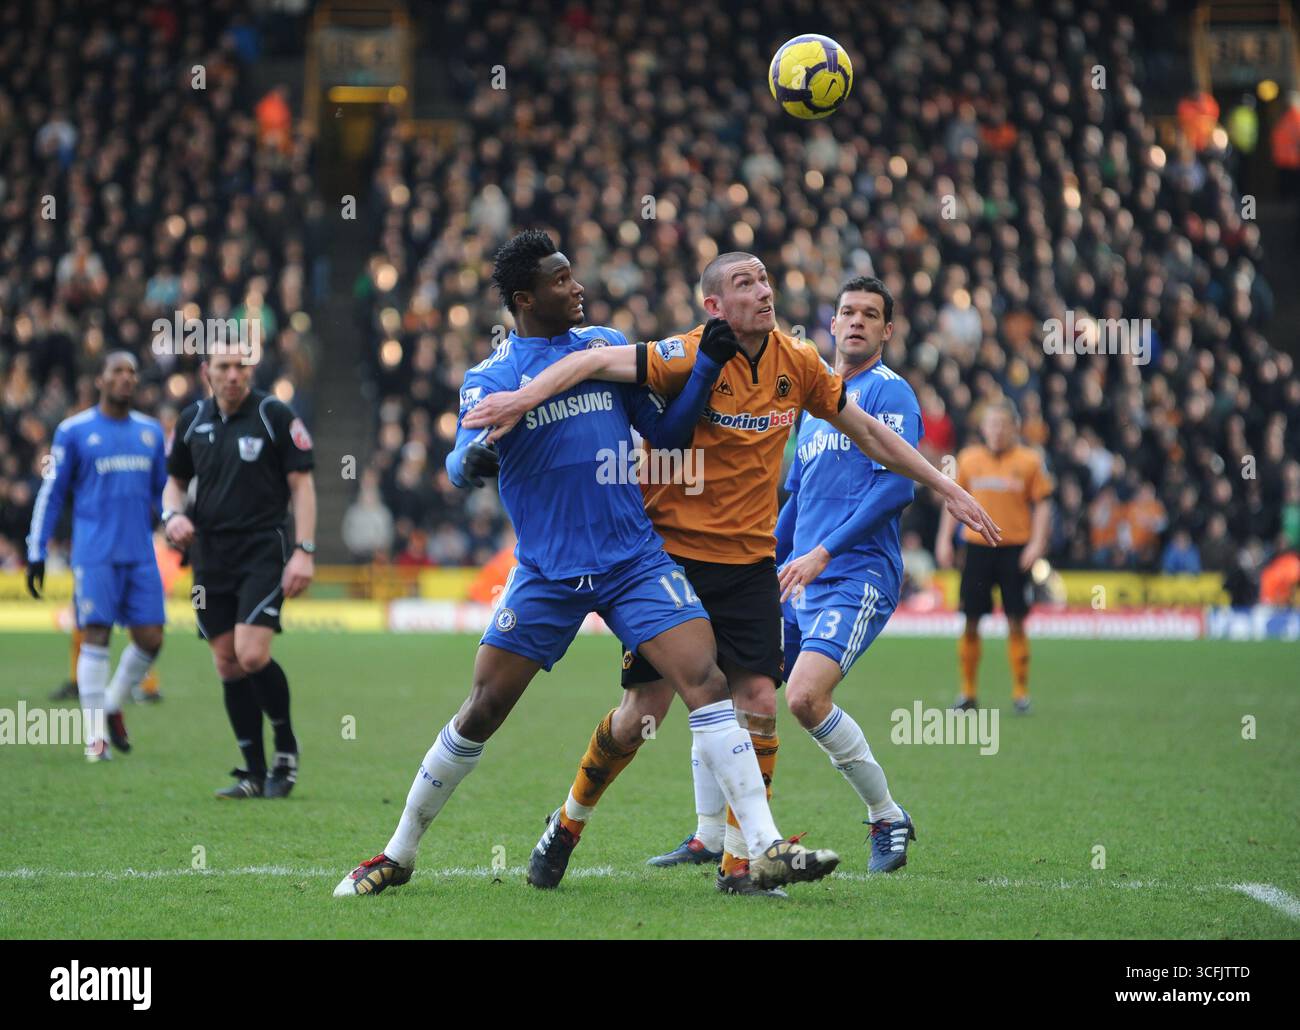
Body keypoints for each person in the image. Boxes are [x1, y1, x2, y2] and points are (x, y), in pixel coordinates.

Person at [463, 251, 999, 895]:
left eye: (766, 279)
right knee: (641, 714)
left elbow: (870, 436)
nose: (764, 290)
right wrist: (524, 396)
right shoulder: (686, 352)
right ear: (714, 305)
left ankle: (742, 863)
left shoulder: (798, 363)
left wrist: (945, 487)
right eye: (746, 282)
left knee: (761, 702)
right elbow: (589, 362)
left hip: (749, 561)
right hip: (670, 559)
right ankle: (569, 823)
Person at [334, 230, 840, 898]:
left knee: (707, 682)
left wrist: (707, 371)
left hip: (633, 557)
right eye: (561, 279)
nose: (577, 287)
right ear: (525, 297)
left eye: (574, 275)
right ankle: (398, 852)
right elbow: (458, 460)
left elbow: (665, 433)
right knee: (483, 708)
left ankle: (760, 848)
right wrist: (472, 461)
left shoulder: (603, 346)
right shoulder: (492, 377)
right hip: (547, 571)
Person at [772, 277, 922, 873]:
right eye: (846, 312)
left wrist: (824, 552)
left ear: (887, 331)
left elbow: (897, 485)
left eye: (870, 314)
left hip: (855, 573)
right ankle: (718, 835)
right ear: (830, 325)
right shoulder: (815, 405)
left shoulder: (890, 393)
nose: (856, 321)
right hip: (798, 577)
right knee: (742, 692)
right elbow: (796, 498)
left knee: (805, 697)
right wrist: (766, 562)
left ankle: (887, 817)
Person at [163, 349, 317, 799]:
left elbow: (302, 485)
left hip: (262, 551)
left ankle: (285, 746)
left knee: (251, 654)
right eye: (223, 367)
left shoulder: (274, 414)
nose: (233, 375)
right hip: (209, 555)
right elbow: (174, 479)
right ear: (205, 372)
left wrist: (304, 550)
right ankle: (252, 771)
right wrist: (172, 515)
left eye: (240, 367)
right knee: (226, 661)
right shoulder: (191, 419)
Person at [25, 351, 167, 760]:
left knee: (152, 638)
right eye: (116, 371)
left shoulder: (151, 433)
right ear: (100, 381)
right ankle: (94, 737)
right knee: (97, 635)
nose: (125, 378)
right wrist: (37, 549)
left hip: (140, 553)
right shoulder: (73, 431)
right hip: (95, 554)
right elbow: (52, 494)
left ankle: (111, 703)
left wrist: (178, 527)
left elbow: (162, 493)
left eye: (131, 373)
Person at [936, 401, 1053, 714]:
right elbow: (953, 500)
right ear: (984, 428)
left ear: (1014, 427)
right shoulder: (969, 459)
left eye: (1003, 424)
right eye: (992, 424)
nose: (998, 431)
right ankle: (968, 693)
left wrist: (1037, 543)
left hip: (1015, 549)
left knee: (1016, 619)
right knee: (970, 620)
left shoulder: (1030, 461)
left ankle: (1020, 693)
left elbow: (1043, 503)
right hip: (977, 549)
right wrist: (945, 539)